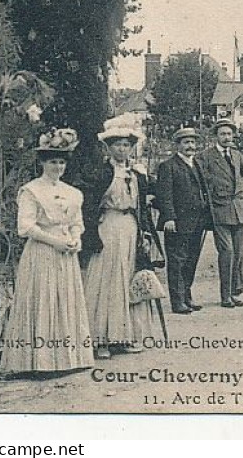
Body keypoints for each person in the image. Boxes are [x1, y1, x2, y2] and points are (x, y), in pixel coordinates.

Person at [1, 128, 93, 375]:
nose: (58, 167)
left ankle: (67, 359)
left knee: (64, 300)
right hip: (42, 252)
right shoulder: (31, 191)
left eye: (62, 162)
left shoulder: (72, 192)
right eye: (53, 161)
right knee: (44, 300)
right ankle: (40, 362)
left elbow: (77, 223)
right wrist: (55, 241)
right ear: (42, 162)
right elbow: (25, 226)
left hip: (66, 254)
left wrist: (75, 239)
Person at [81, 115, 165, 357]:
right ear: (109, 148)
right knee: (107, 279)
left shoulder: (137, 174)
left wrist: (146, 234)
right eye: (117, 144)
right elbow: (89, 205)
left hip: (130, 228)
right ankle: (101, 339)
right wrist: (92, 234)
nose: (122, 149)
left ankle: (124, 336)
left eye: (126, 145)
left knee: (129, 279)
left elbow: (143, 207)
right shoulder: (102, 173)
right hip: (109, 225)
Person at [195, 119, 243, 308]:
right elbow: (198, 179)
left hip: (239, 210)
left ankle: (233, 292)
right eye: (223, 134)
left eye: (229, 134)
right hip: (219, 210)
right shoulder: (205, 156)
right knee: (226, 252)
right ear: (216, 136)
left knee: (237, 254)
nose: (226, 137)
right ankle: (225, 297)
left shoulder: (237, 155)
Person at [155, 126, 207, 314]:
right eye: (186, 142)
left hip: (197, 221)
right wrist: (169, 217)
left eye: (193, 142)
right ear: (177, 145)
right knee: (177, 261)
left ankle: (187, 296)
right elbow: (164, 195)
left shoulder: (197, 164)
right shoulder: (168, 166)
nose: (190, 146)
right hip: (177, 222)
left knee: (191, 260)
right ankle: (177, 301)